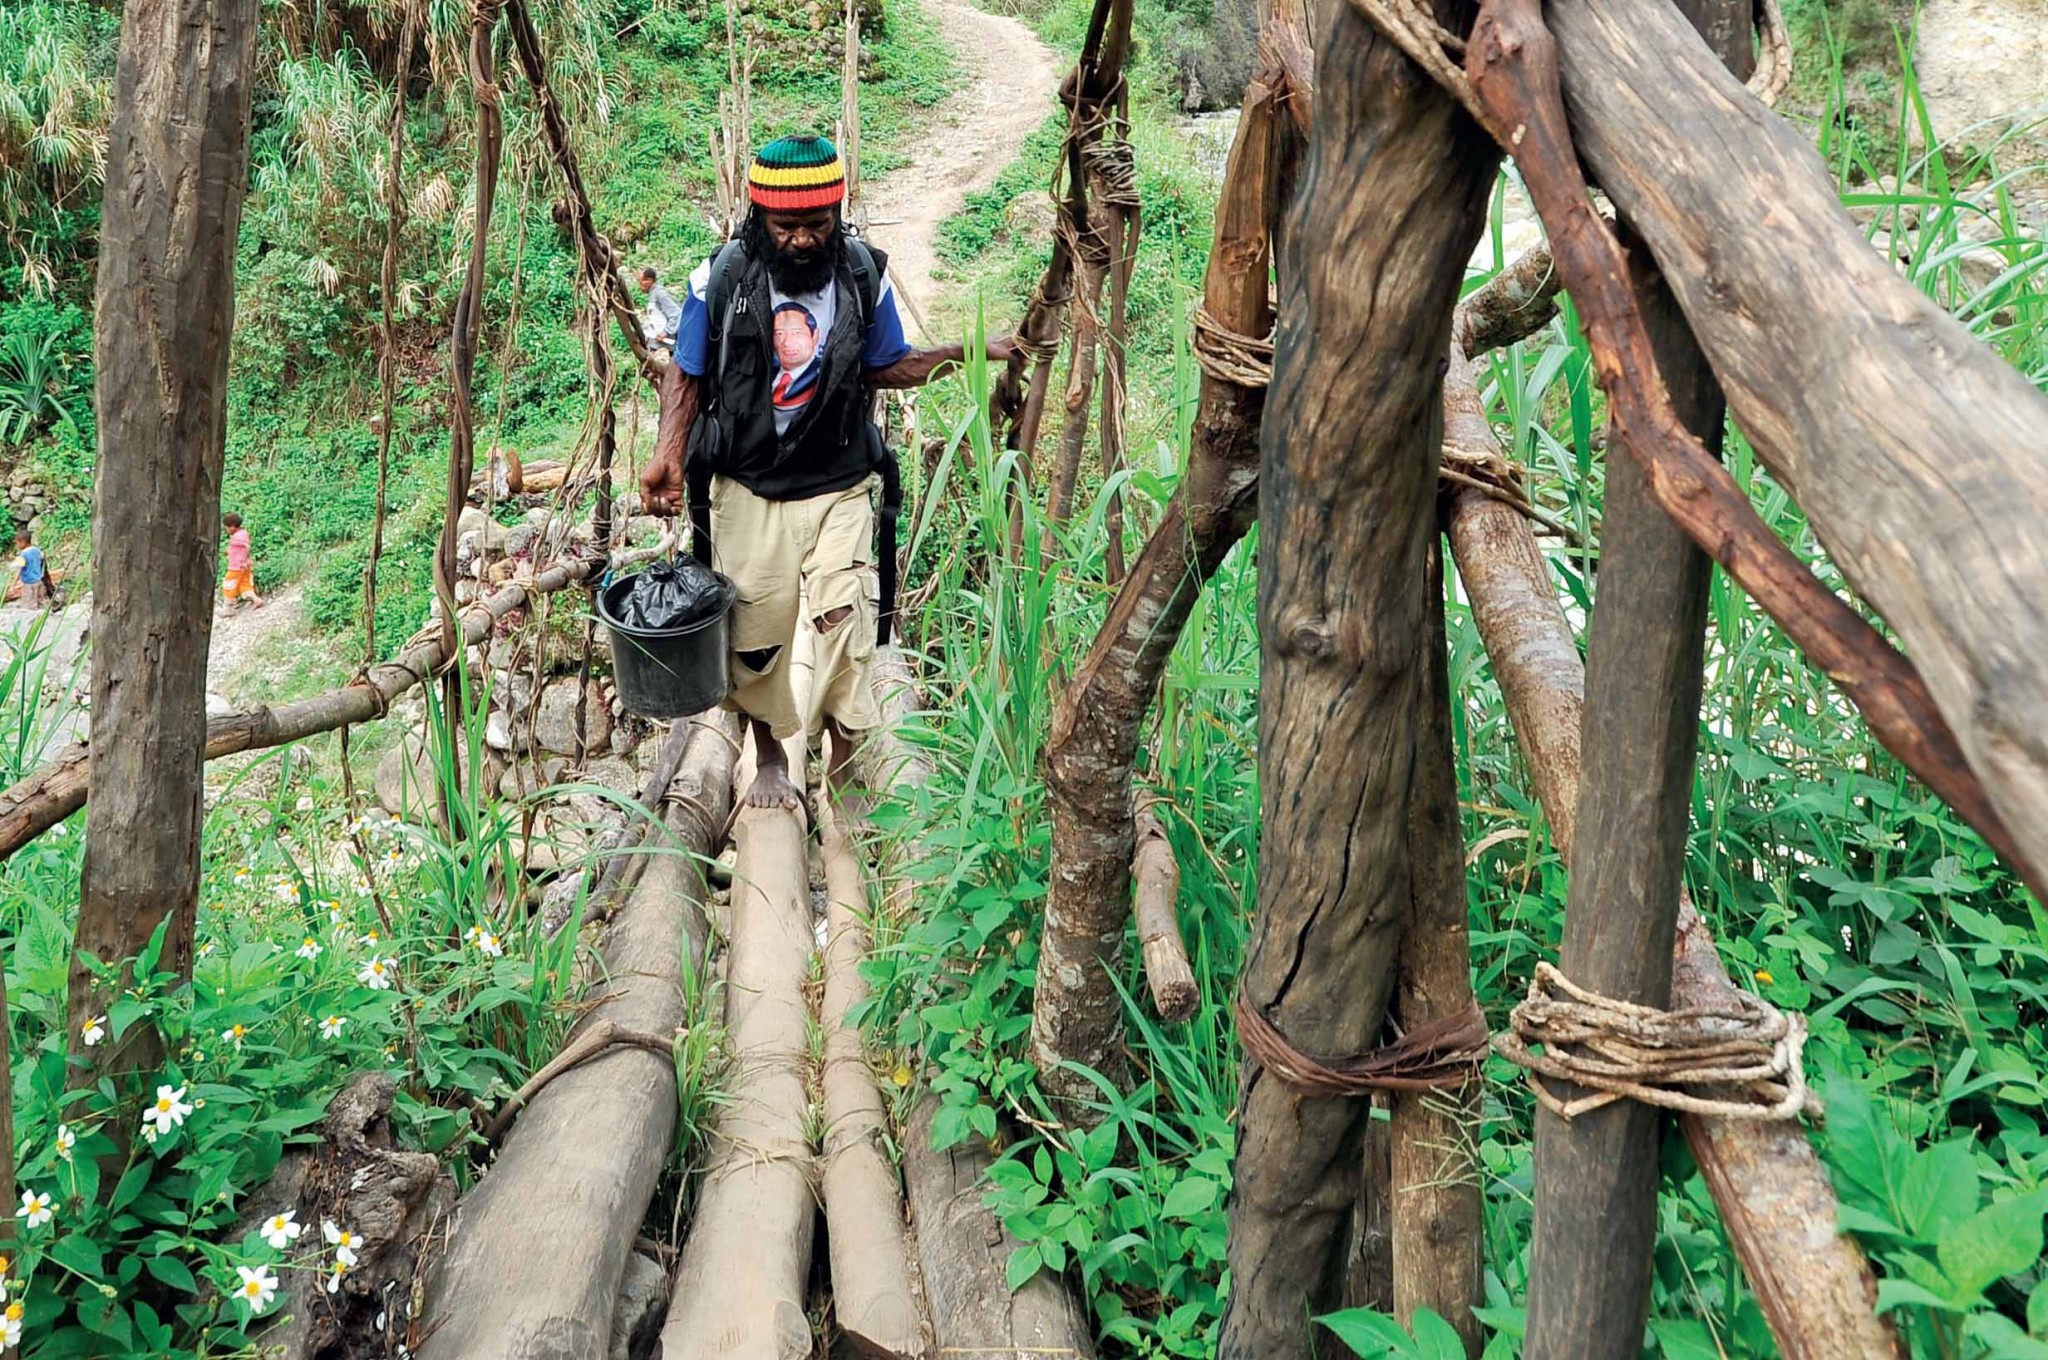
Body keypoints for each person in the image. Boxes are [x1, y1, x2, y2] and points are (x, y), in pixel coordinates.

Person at [641, 134, 1013, 810]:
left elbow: (885, 364)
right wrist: (669, 451)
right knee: (753, 637)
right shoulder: (719, 280)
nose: (805, 240)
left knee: (846, 617)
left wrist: (970, 351)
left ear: (838, 215)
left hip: (840, 480)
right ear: (761, 220)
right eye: (788, 227)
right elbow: (686, 373)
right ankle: (774, 759)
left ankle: (842, 757)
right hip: (748, 488)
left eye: (818, 225)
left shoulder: (861, 275)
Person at [220, 513, 265, 609]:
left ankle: (228, 608)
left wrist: (244, 560)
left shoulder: (238, 537)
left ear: (232, 527)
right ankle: (256, 600)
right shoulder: (243, 533)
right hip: (244, 565)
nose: (226, 530)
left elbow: (247, 547)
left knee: (229, 585)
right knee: (244, 585)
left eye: (226, 527)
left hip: (237, 566)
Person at [639, 266, 683, 355]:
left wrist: (666, 331)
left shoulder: (660, 294)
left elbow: (676, 313)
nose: (640, 286)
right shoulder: (653, 294)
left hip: (665, 347)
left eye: (641, 282)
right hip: (657, 344)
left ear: (649, 281)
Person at [12, 529, 50, 609]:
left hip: (28, 584)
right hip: (39, 581)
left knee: (29, 605)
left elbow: (19, 570)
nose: (17, 546)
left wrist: (13, 584)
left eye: (17, 543)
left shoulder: (22, 555)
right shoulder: (37, 550)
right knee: (42, 603)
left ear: (22, 542)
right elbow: (42, 558)